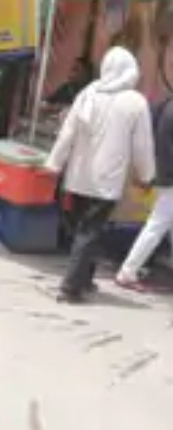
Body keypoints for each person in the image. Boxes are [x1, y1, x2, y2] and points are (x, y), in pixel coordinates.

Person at [46, 47, 156, 304]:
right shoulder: (135, 102)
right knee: (90, 231)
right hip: (107, 180)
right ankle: (70, 288)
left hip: (78, 177)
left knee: (84, 229)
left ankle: (84, 278)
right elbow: (142, 145)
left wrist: (54, 164)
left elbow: (67, 133)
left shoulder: (88, 94)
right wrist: (147, 175)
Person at [115, 92, 173, 290]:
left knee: (162, 223)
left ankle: (128, 271)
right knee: (156, 225)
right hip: (170, 176)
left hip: (164, 172)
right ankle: (127, 272)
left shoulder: (164, 104)